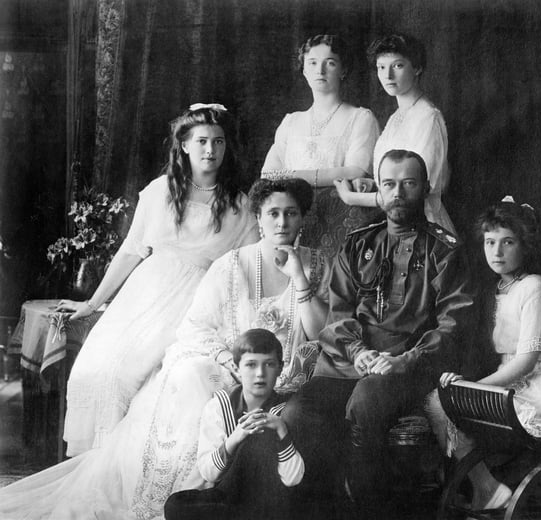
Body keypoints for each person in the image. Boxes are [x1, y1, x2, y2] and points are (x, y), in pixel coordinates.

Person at [0, 177, 329, 520]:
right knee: (193, 377)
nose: (281, 222)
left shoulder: (317, 264)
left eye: (291, 213)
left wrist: (299, 278)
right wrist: (226, 361)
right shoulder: (230, 265)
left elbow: (321, 332)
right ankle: (194, 493)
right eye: (272, 213)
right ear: (258, 218)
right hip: (230, 366)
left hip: (289, 374)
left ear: (302, 218)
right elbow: (194, 326)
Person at [56, 103, 258, 456]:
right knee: (95, 371)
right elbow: (130, 251)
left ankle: (124, 467)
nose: (210, 150)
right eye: (201, 141)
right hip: (144, 293)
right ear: (184, 145)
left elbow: (249, 267)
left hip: (195, 302)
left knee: (136, 380)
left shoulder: (239, 207)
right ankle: (96, 463)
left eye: (218, 142)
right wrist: (92, 303)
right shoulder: (159, 192)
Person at [282, 149, 474, 515]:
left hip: (408, 368)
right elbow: (337, 315)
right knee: (297, 413)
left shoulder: (445, 252)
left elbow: (454, 325)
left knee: (366, 401)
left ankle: (367, 509)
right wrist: (359, 352)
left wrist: (406, 360)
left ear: (425, 188)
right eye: (390, 184)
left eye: (409, 183)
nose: (398, 192)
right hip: (345, 364)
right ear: (380, 192)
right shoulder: (358, 245)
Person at [424, 196, 541, 512]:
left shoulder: (535, 288)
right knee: (440, 401)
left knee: (444, 402)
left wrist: (475, 387)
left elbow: (526, 361)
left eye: (508, 242)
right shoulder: (498, 289)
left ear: (525, 246)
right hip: (514, 383)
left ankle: (489, 488)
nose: (497, 252)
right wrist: (464, 380)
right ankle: (486, 487)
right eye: (490, 242)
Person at [261, 33, 381, 262]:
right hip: (291, 220)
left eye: (330, 63)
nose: (320, 70)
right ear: (304, 70)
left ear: (343, 70)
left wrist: (293, 176)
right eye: (313, 63)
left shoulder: (360, 118)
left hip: (339, 222)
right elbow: (268, 174)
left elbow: (356, 171)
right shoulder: (291, 121)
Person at [164, 328, 305, 520]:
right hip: (229, 499)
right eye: (251, 365)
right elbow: (209, 473)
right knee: (176, 504)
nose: (260, 374)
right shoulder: (220, 406)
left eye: (269, 364)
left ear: (280, 368)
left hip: (271, 500)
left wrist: (281, 430)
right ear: (237, 369)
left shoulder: (287, 407)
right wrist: (236, 436)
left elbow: (293, 479)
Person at [334, 33, 455, 232]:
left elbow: (413, 191)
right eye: (381, 67)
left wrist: (351, 197)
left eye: (397, 66)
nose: (387, 75)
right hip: (393, 221)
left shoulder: (427, 117)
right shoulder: (396, 117)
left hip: (419, 225)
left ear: (417, 68)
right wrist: (372, 183)